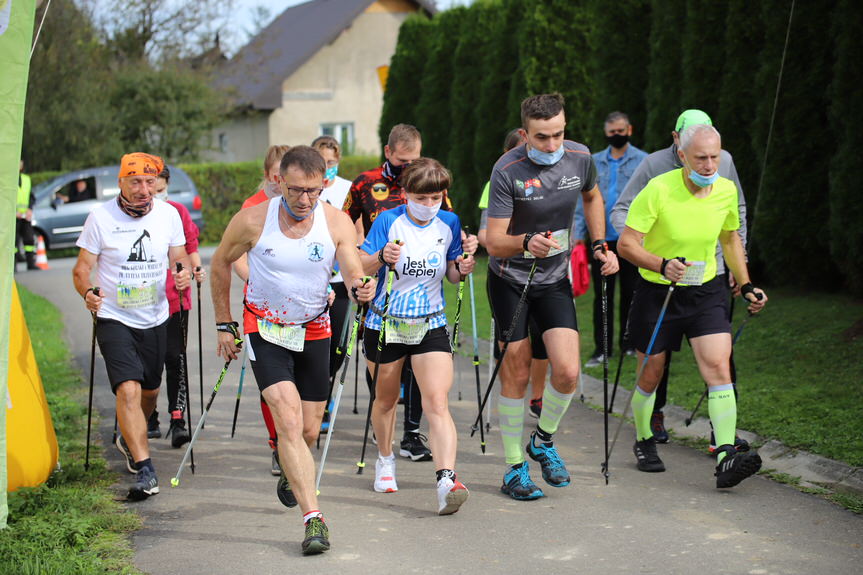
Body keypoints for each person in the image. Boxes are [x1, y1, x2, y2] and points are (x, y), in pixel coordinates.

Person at [211, 145, 376, 555]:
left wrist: (360, 288)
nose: (305, 200)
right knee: (287, 421)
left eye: (314, 191)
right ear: (280, 181)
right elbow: (219, 264)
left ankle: (292, 468)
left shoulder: (335, 221)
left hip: (315, 329)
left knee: (306, 430)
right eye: (298, 190)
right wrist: (223, 324)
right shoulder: (252, 220)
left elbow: (352, 267)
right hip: (264, 328)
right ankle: (313, 519)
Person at [485, 93, 619, 500]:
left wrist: (599, 244)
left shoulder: (580, 158)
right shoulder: (507, 170)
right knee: (518, 369)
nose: (552, 145)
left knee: (567, 371)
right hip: (510, 280)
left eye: (558, 134)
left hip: (554, 278)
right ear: (525, 133)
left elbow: (592, 196)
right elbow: (493, 242)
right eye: (542, 137)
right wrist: (526, 242)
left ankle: (542, 441)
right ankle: (513, 467)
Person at [617, 124, 766, 488]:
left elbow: (730, 239)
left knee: (718, 365)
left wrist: (745, 283)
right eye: (700, 158)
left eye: (715, 157)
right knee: (650, 372)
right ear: (682, 155)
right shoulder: (658, 190)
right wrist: (662, 264)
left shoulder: (726, 191)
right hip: (659, 291)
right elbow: (627, 244)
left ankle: (726, 455)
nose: (709, 164)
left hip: (706, 291)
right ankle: (644, 439)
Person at [358, 157, 476, 514]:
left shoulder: (450, 223)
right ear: (406, 193)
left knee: (436, 401)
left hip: (430, 322)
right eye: (421, 199)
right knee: (386, 399)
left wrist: (463, 266)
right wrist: (381, 256)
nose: (429, 206)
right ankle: (385, 459)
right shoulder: (388, 220)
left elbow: (452, 274)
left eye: (436, 199)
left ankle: (446, 480)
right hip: (386, 323)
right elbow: (359, 264)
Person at [72, 152, 191, 501]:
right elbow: (81, 269)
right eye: (135, 181)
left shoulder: (168, 215)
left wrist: (182, 274)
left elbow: (178, 256)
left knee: (150, 391)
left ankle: (131, 430)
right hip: (114, 316)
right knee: (128, 389)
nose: (143, 189)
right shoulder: (100, 218)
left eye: (149, 181)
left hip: (155, 317)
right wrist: (88, 292)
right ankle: (145, 470)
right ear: (121, 182)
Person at [344, 123, 444, 462]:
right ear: (388, 154)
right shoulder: (364, 183)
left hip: (419, 285)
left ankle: (412, 434)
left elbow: (445, 217)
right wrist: (358, 257)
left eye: (414, 160)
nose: (409, 168)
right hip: (377, 280)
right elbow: (342, 222)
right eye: (402, 162)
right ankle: (382, 422)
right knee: (384, 366)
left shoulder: (426, 180)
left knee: (418, 364)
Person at [477, 129, 548, 418]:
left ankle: (538, 397)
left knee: (542, 338)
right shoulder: (497, 182)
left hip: (545, 274)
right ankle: (511, 397)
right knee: (511, 344)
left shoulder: (550, 181)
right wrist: (516, 243)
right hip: (508, 275)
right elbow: (485, 234)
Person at [234, 144, 293, 475]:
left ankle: (295, 439)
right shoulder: (252, 207)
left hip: (301, 309)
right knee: (272, 381)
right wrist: (259, 279)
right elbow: (236, 258)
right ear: (271, 176)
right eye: (279, 176)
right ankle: (277, 444)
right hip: (262, 306)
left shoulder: (302, 204)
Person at [574, 112, 646, 366]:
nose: (617, 136)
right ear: (606, 133)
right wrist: (579, 235)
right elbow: (584, 202)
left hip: (630, 237)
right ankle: (601, 348)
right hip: (601, 239)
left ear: (629, 130)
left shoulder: (642, 161)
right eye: (612, 132)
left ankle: (628, 343)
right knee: (603, 295)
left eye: (621, 131)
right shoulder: (594, 161)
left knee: (631, 292)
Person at [145, 166, 205, 447]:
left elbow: (190, 246)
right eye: (149, 190)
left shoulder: (177, 213)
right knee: (150, 363)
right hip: (145, 301)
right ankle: (149, 416)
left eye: (159, 191)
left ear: (166, 186)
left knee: (175, 358)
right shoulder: (138, 216)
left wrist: (197, 268)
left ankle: (178, 419)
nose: (154, 196)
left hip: (176, 298)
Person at [312, 135, 353, 431]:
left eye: (332, 163)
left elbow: (357, 230)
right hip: (312, 281)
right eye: (322, 163)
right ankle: (318, 400)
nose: (327, 169)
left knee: (337, 344)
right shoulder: (306, 188)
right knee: (316, 344)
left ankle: (325, 390)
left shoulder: (346, 189)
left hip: (339, 281)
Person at [15, 160, 39, 271]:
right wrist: (14, 212)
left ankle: (31, 264)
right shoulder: (7, 180)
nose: (19, 164)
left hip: (25, 216)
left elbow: (31, 197)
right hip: (13, 217)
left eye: (21, 162)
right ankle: (13, 267)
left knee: (29, 240)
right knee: (13, 242)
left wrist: (30, 209)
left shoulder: (26, 179)